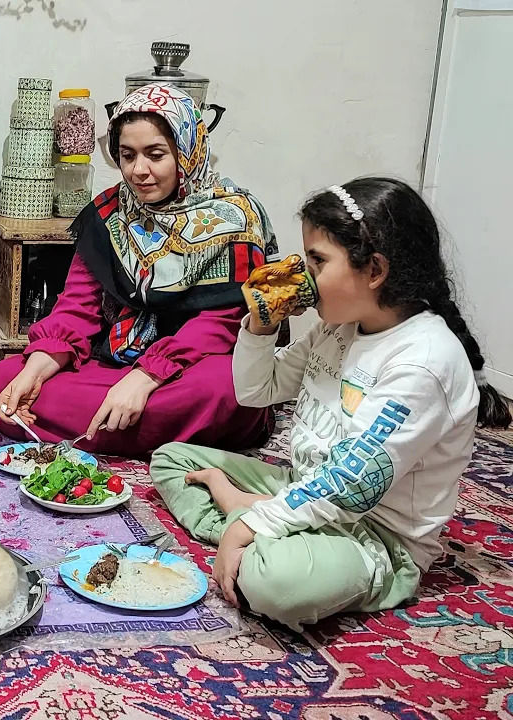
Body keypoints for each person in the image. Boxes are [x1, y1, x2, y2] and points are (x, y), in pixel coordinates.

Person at [151, 177, 511, 630]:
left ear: (374, 270)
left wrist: (246, 517)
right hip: (304, 484)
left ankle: (250, 520)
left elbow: (351, 484)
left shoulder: (423, 361)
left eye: (316, 261)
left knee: (272, 581)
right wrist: (260, 328)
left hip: (376, 534)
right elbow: (257, 391)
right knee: (171, 458)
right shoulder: (337, 328)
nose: (302, 276)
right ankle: (260, 518)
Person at [0, 84, 276, 455]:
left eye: (155, 154)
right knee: (4, 380)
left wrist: (146, 377)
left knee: (227, 389)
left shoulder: (233, 220)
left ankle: (110, 428)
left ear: (187, 152)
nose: (139, 171)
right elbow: (78, 307)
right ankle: (149, 434)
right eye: (127, 156)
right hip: (114, 364)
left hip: (185, 368)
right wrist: (37, 369)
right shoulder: (109, 213)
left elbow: (221, 325)